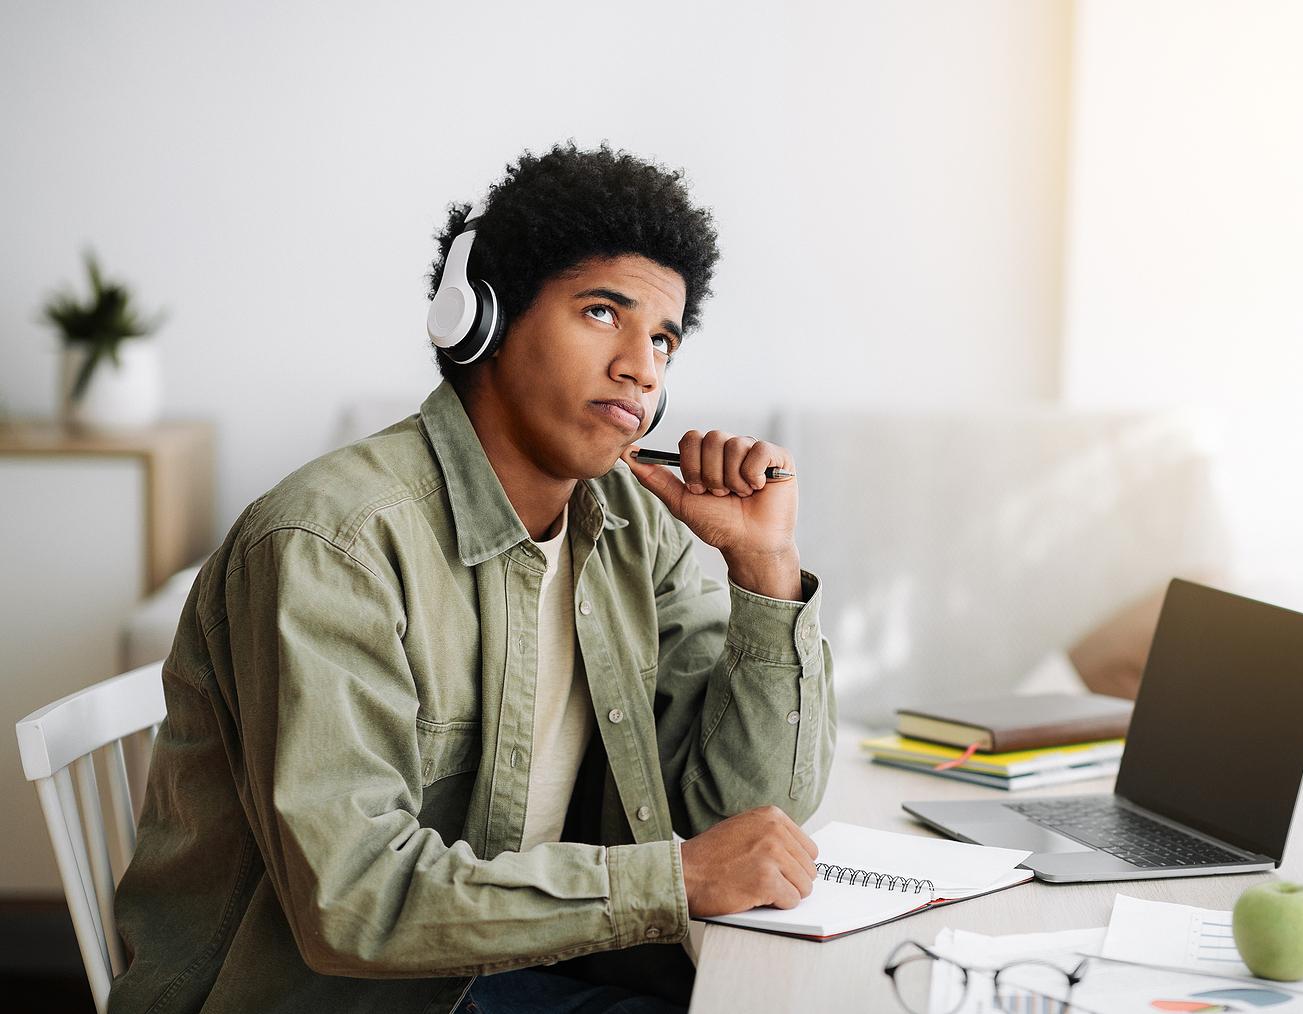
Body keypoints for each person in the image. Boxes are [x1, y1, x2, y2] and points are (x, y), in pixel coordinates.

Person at [109, 144, 836, 1014]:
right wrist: (671, 878)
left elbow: (750, 830)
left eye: (664, 339)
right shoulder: (331, 544)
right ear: (478, 320)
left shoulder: (635, 524)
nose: (642, 366)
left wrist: (764, 571)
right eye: (604, 312)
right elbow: (356, 899)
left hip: (507, 974)